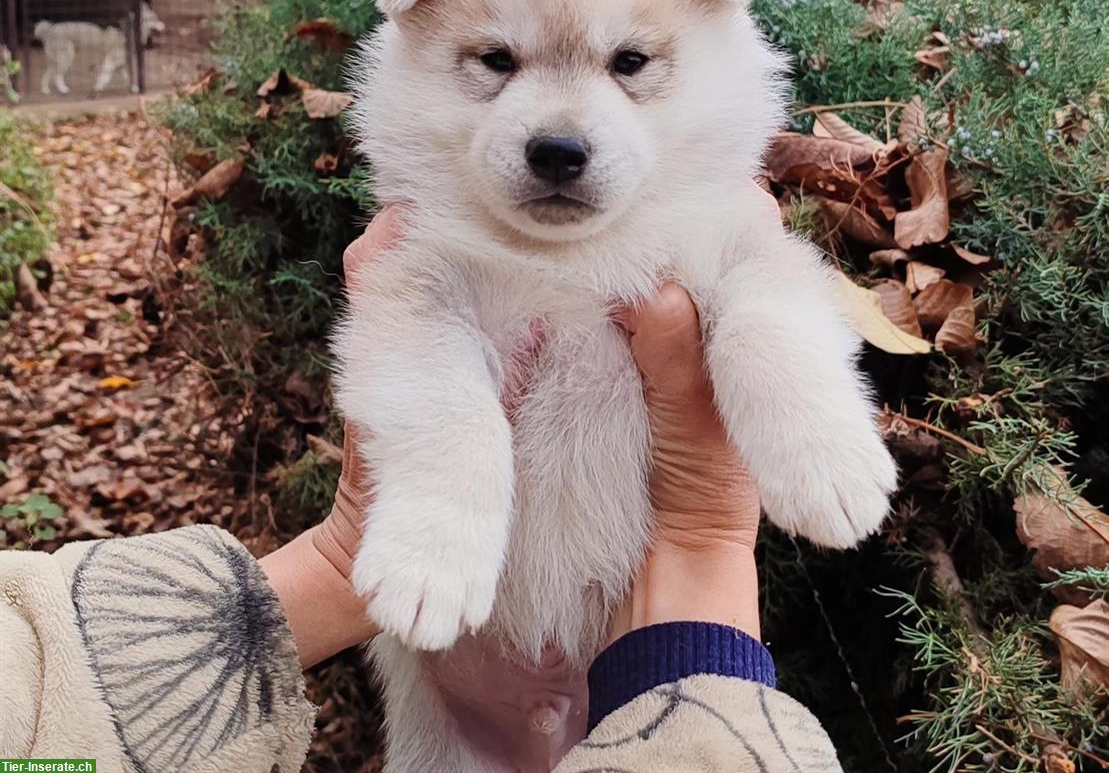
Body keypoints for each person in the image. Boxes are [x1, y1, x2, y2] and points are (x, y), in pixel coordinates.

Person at [0, 207, 843, 772]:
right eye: (498, 62)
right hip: (463, 709)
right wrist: (700, 556)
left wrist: (340, 559)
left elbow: (39, 757)